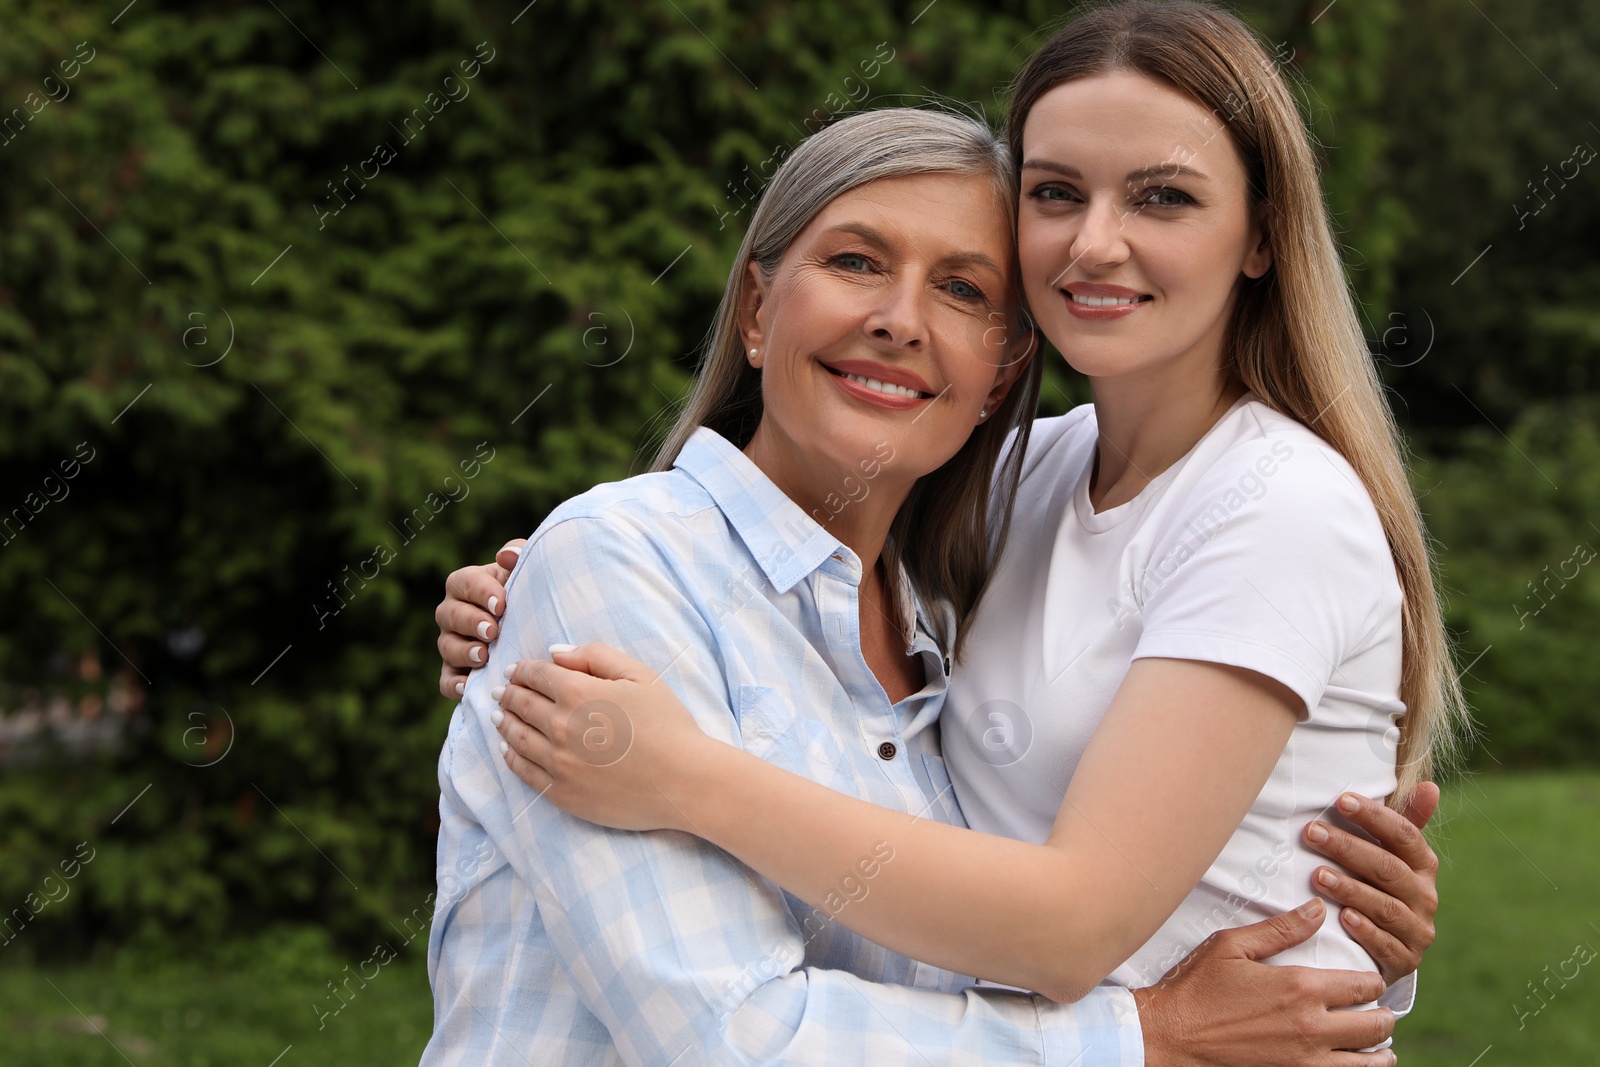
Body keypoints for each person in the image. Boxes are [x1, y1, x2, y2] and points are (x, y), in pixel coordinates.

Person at [441, 1, 1455, 1060]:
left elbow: (1071, 921)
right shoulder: (1012, 493)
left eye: (1162, 196)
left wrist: (688, 772)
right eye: (1057, 192)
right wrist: (526, 596)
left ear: (1259, 234)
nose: (1097, 240)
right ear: (754, 309)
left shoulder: (1273, 502)